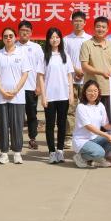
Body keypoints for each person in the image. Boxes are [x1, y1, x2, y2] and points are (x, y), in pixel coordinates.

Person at [0, 27, 33, 164]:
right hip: (1, 96)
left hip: (17, 96)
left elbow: (25, 74)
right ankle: (4, 153)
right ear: (2, 39)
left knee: (17, 125)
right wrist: (2, 91)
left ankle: (17, 153)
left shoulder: (21, 54)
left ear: (15, 37)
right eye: (5, 36)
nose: (8, 38)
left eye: (10, 36)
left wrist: (15, 90)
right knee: (3, 125)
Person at [40, 27, 74, 164]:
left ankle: (60, 151)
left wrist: (71, 94)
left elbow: (69, 76)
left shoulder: (65, 56)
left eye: (57, 37)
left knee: (62, 124)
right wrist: (43, 96)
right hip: (49, 96)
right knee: (49, 125)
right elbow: (40, 77)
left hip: (63, 95)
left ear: (60, 39)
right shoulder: (44, 56)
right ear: (48, 40)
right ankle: (52, 152)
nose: (55, 40)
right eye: (52, 37)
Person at [79, 16, 111, 120]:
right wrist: (101, 72)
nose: (101, 29)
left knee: (107, 120)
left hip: (108, 89)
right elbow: (84, 66)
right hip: (91, 91)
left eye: (103, 27)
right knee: (92, 119)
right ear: (94, 28)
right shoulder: (86, 44)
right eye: (98, 26)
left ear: (107, 29)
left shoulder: (110, 44)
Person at [16, 20, 45, 150]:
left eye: (27, 31)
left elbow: (41, 68)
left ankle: (32, 138)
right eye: (22, 30)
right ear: (18, 32)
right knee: (16, 115)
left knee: (32, 114)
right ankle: (16, 139)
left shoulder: (36, 47)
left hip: (31, 87)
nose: (24, 33)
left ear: (31, 33)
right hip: (16, 88)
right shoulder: (13, 46)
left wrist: (39, 85)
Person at [63, 11, 90, 148]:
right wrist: (75, 70)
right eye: (75, 21)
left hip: (87, 79)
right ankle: (68, 136)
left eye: (80, 21)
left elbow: (91, 58)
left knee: (87, 108)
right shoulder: (66, 39)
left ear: (85, 23)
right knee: (70, 109)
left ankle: (88, 135)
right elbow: (64, 58)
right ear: (72, 22)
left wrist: (83, 71)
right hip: (71, 79)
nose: (78, 23)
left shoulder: (89, 39)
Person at [72, 80, 111, 169]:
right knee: (100, 152)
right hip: (82, 140)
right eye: (90, 91)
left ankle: (97, 159)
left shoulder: (100, 105)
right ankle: (81, 157)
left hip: (95, 138)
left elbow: (105, 125)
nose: (93, 93)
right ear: (85, 92)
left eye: (95, 91)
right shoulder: (81, 107)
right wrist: (106, 135)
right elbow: (89, 127)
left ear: (98, 92)